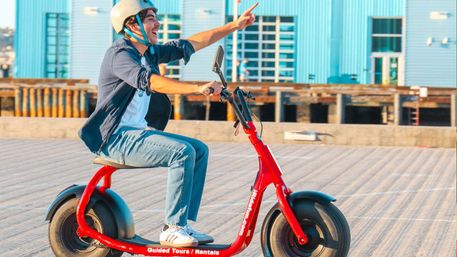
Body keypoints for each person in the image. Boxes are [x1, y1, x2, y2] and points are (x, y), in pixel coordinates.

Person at [79, 0, 257, 248]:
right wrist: (197, 88)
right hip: (115, 138)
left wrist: (234, 25)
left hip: (136, 134)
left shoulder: (148, 53)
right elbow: (150, 81)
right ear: (132, 23)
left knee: (199, 150)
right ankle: (171, 229)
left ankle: (182, 224)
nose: (158, 23)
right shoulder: (119, 54)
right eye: (150, 18)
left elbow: (193, 43)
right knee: (181, 152)